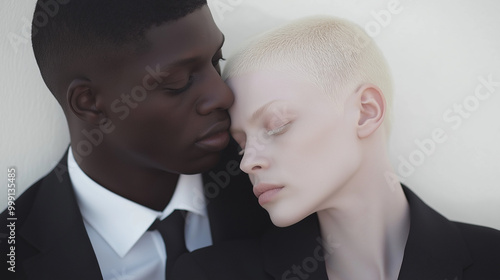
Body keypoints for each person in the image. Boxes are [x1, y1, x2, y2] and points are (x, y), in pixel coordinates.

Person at [171, 16, 500, 280]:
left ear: (366, 111)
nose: (247, 164)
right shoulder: (209, 274)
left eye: (276, 125)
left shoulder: (492, 259)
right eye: (241, 145)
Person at [0, 1, 271, 279]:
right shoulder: (10, 259)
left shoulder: (278, 186)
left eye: (217, 60)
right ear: (89, 102)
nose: (223, 95)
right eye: (178, 82)